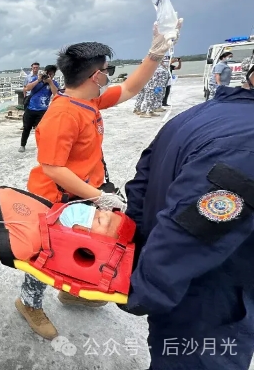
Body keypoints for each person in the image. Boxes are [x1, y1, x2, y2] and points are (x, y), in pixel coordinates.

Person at [16, 20, 183, 340]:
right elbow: (52, 167)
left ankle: (71, 290)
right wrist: (97, 195)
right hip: (55, 197)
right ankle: (29, 302)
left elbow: (131, 88)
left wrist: (156, 53)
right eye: (107, 70)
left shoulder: (88, 100)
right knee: (43, 253)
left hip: (83, 193)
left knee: (82, 241)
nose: (110, 76)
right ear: (95, 76)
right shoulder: (63, 113)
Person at [120, 62, 254, 370]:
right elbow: (189, 232)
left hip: (184, 291)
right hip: (211, 305)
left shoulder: (196, 115)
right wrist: (143, 291)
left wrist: (136, 250)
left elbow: (141, 184)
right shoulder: (247, 145)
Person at [19, 64, 59, 153]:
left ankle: (41, 146)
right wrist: (38, 80)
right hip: (31, 109)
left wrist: (50, 82)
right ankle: (23, 145)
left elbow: (56, 94)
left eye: (52, 74)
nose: (50, 76)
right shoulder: (36, 80)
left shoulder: (54, 83)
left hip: (43, 111)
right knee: (26, 128)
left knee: (41, 129)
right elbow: (27, 88)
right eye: (48, 74)